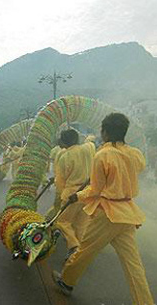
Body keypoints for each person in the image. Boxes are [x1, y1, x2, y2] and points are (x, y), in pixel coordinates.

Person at [53, 113, 154, 305]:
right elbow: (138, 168)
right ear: (124, 132)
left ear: (105, 132)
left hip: (107, 214)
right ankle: (145, 302)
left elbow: (96, 189)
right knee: (134, 265)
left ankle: (66, 281)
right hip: (128, 215)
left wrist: (77, 196)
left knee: (84, 251)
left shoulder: (102, 155)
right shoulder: (135, 154)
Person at [53, 129, 95, 258]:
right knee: (81, 226)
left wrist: (61, 195)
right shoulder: (89, 148)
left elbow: (60, 181)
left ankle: (73, 246)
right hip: (88, 193)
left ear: (64, 142)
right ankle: (78, 255)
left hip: (71, 194)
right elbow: (91, 141)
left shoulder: (65, 156)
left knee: (62, 222)